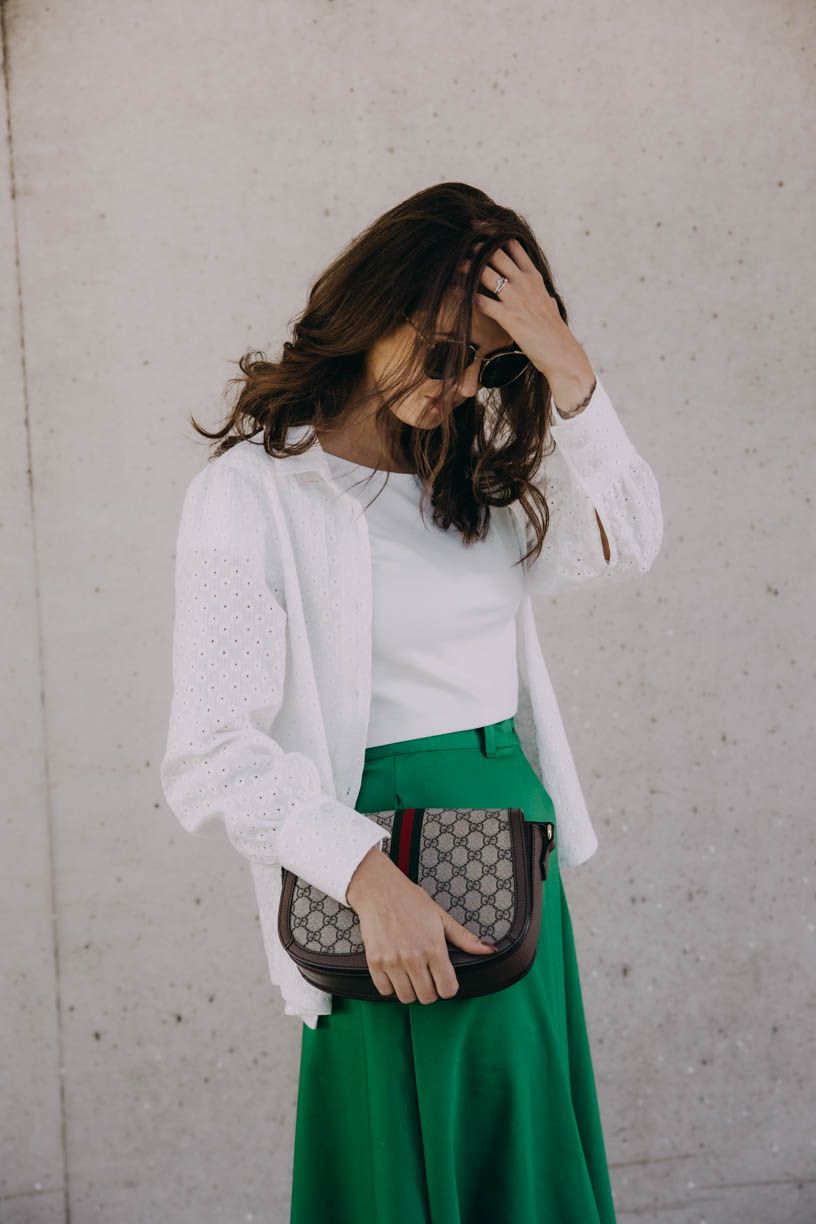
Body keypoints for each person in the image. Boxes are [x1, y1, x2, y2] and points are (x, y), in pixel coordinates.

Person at [160, 182, 663, 1223]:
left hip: (513, 869)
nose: (463, 385)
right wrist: (365, 879)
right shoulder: (255, 495)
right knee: (405, 1173)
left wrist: (566, 366)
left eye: (492, 364)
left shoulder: (473, 484)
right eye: (444, 353)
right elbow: (212, 747)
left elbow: (628, 543)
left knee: (520, 1164)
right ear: (373, 309)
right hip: (380, 878)